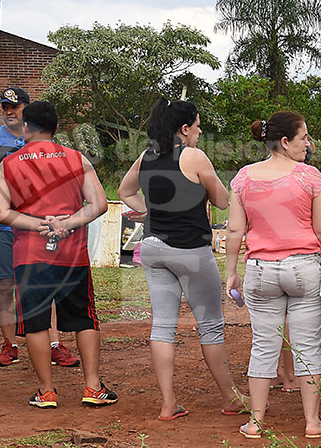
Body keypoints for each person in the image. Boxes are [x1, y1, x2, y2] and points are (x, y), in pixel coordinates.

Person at [117, 98, 244, 420]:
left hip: (153, 247)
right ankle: (231, 398)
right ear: (184, 129)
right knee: (210, 326)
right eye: (198, 127)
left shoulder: (146, 156)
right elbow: (222, 200)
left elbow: (124, 191)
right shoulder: (194, 156)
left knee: (162, 326)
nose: (200, 133)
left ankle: (168, 403)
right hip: (190, 250)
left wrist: (149, 210)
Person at [0, 100, 117, 409]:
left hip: (30, 255)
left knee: (35, 323)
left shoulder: (9, 164)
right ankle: (93, 387)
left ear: (25, 127)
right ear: (56, 128)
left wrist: (39, 224)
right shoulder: (76, 158)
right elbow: (99, 204)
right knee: (84, 318)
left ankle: (47, 392)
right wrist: (65, 224)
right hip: (72, 254)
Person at [225, 111, 321, 439]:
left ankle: (255, 422)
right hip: (305, 268)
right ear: (285, 141)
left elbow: (234, 230)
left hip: (260, 271)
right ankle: (313, 422)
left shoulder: (243, 178)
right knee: (308, 346)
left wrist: (231, 272)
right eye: (304, 138)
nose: (308, 144)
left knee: (263, 346)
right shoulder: (310, 177)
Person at [0, 88, 79, 367]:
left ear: (26, 109)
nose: (8, 112)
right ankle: (9, 344)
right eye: (4, 107)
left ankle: (54, 344)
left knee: (44, 287)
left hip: (38, 227)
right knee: (3, 287)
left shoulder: (45, 142)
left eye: (14, 107)